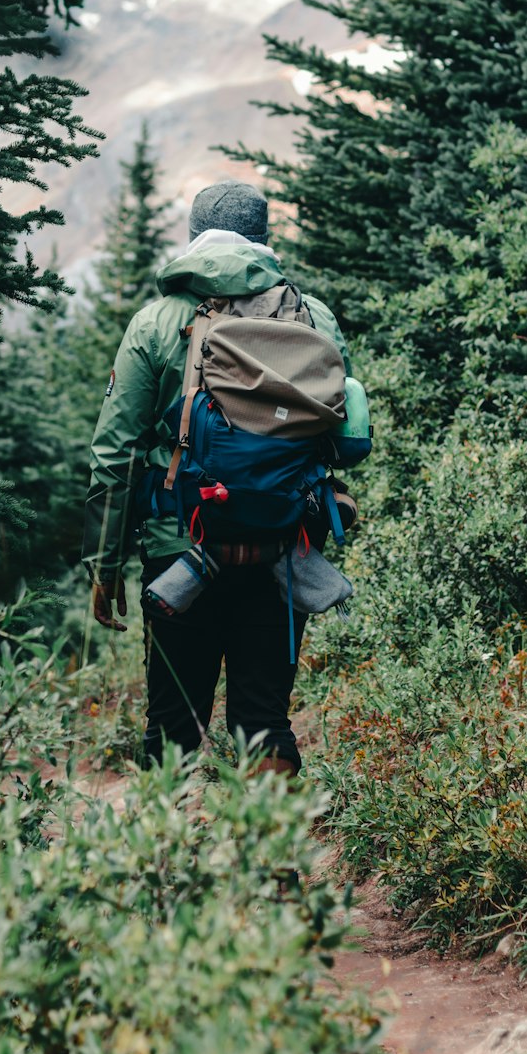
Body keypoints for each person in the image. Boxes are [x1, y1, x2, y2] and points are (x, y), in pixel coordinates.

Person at [82, 180, 351, 776]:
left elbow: (114, 452)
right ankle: (272, 865)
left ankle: (169, 863)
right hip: (283, 550)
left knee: (173, 724)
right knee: (263, 721)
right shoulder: (313, 316)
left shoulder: (156, 322)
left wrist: (103, 566)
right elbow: (345, 438)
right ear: (262, 238)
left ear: (194, 238)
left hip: (179, 550)